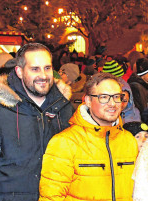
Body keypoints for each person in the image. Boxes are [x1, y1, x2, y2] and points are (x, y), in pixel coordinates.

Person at [0, 43, 73, 201]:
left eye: (47, 68)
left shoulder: (64, 109)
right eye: (35, 69)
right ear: (19, 71)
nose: (43, 75)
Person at [39, 72, 138, 200]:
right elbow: (51, 196)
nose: (112, 103)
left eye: (117, 97)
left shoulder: (129, 141)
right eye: (104, 97)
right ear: (88, 101)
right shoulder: (65, 143)